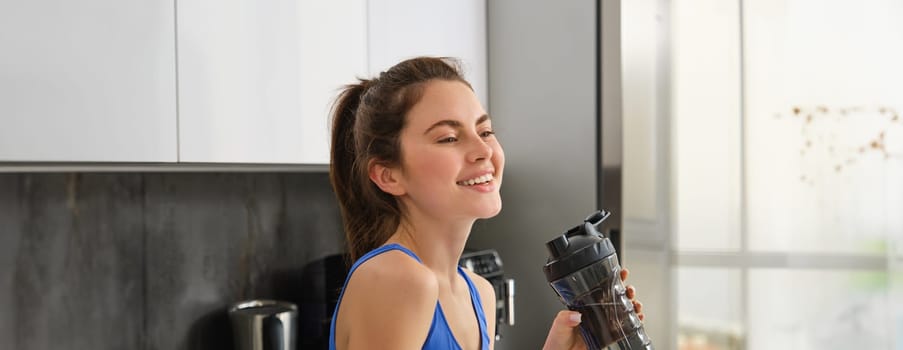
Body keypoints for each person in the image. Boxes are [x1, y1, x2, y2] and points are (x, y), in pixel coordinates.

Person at [327, 56, 644, 350]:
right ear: (388, 176)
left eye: (486, 131)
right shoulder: (396, 279)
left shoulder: (479, 293)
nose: (483, 150)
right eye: (448, 138)